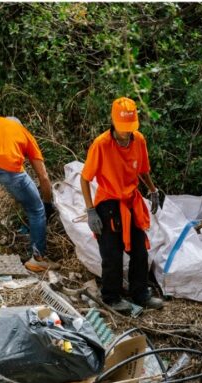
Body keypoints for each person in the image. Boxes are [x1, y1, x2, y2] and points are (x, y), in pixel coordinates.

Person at [80, 97, 165, 313]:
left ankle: (140, 293)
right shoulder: (102, 145)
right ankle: (111, 297)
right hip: (108, 202)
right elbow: (85, 178)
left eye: (130, 128)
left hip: (131, 201)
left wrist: (153, 190)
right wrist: (91, 211)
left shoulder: (138, 140)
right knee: (112, 253)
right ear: (113, 122)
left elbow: (143, 169)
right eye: (122, 128)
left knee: (140, 251)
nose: (126, 133)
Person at [0, 116, 57, 272]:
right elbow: (43, 177)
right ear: (19, 125)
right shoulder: (24, 133)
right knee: (36, 210)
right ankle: (38, 258)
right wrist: (47, 203)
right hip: (9, 170)